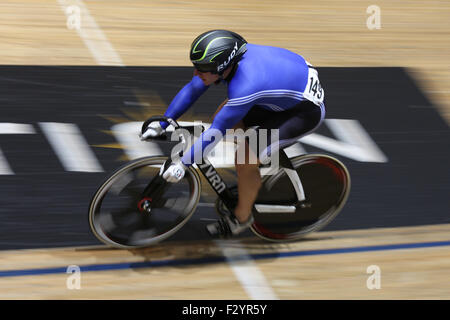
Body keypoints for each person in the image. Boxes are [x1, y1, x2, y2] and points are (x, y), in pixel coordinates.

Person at [141, 29, 325, 238]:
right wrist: (163, 123)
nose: (196, 73)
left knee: (245, 159)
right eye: (196, 67)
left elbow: (217, 131)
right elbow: (193, 89)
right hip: (284, 88)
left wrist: (183, 164)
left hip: (303, 112)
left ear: (222, 67)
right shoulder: (227, 63)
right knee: (225, 115)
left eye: (202, 69)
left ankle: (241, 218)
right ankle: (257, 167)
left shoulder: (246, 86)